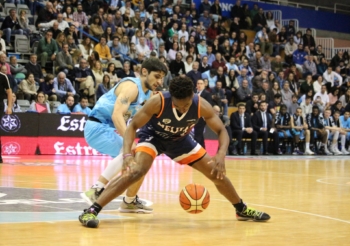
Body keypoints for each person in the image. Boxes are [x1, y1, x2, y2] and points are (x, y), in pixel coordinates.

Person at [78, 76, 270, 228]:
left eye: (186, 105)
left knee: (216, 172)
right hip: (153, 137)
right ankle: (92, 210)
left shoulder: (200, 104)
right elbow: (133, 126)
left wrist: (220, 154)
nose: (182, 108)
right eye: (178, 105)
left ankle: (241, 209)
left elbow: (221, 131)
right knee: (136, 171)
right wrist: (127, 155)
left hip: (180, 140)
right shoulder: (157, 101)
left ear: (192, 97)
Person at [80, 58, 168, 214]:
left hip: (108, 128)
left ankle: (129, 202)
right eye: (157, 76)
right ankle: (96, 190)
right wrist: (130, 144)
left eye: (162, 78)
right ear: (145, 72)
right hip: (97, 126)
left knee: (142, 157)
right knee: (132, 152)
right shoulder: (131, 87)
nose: (160, 81)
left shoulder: (147, 94)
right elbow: (116, 116)